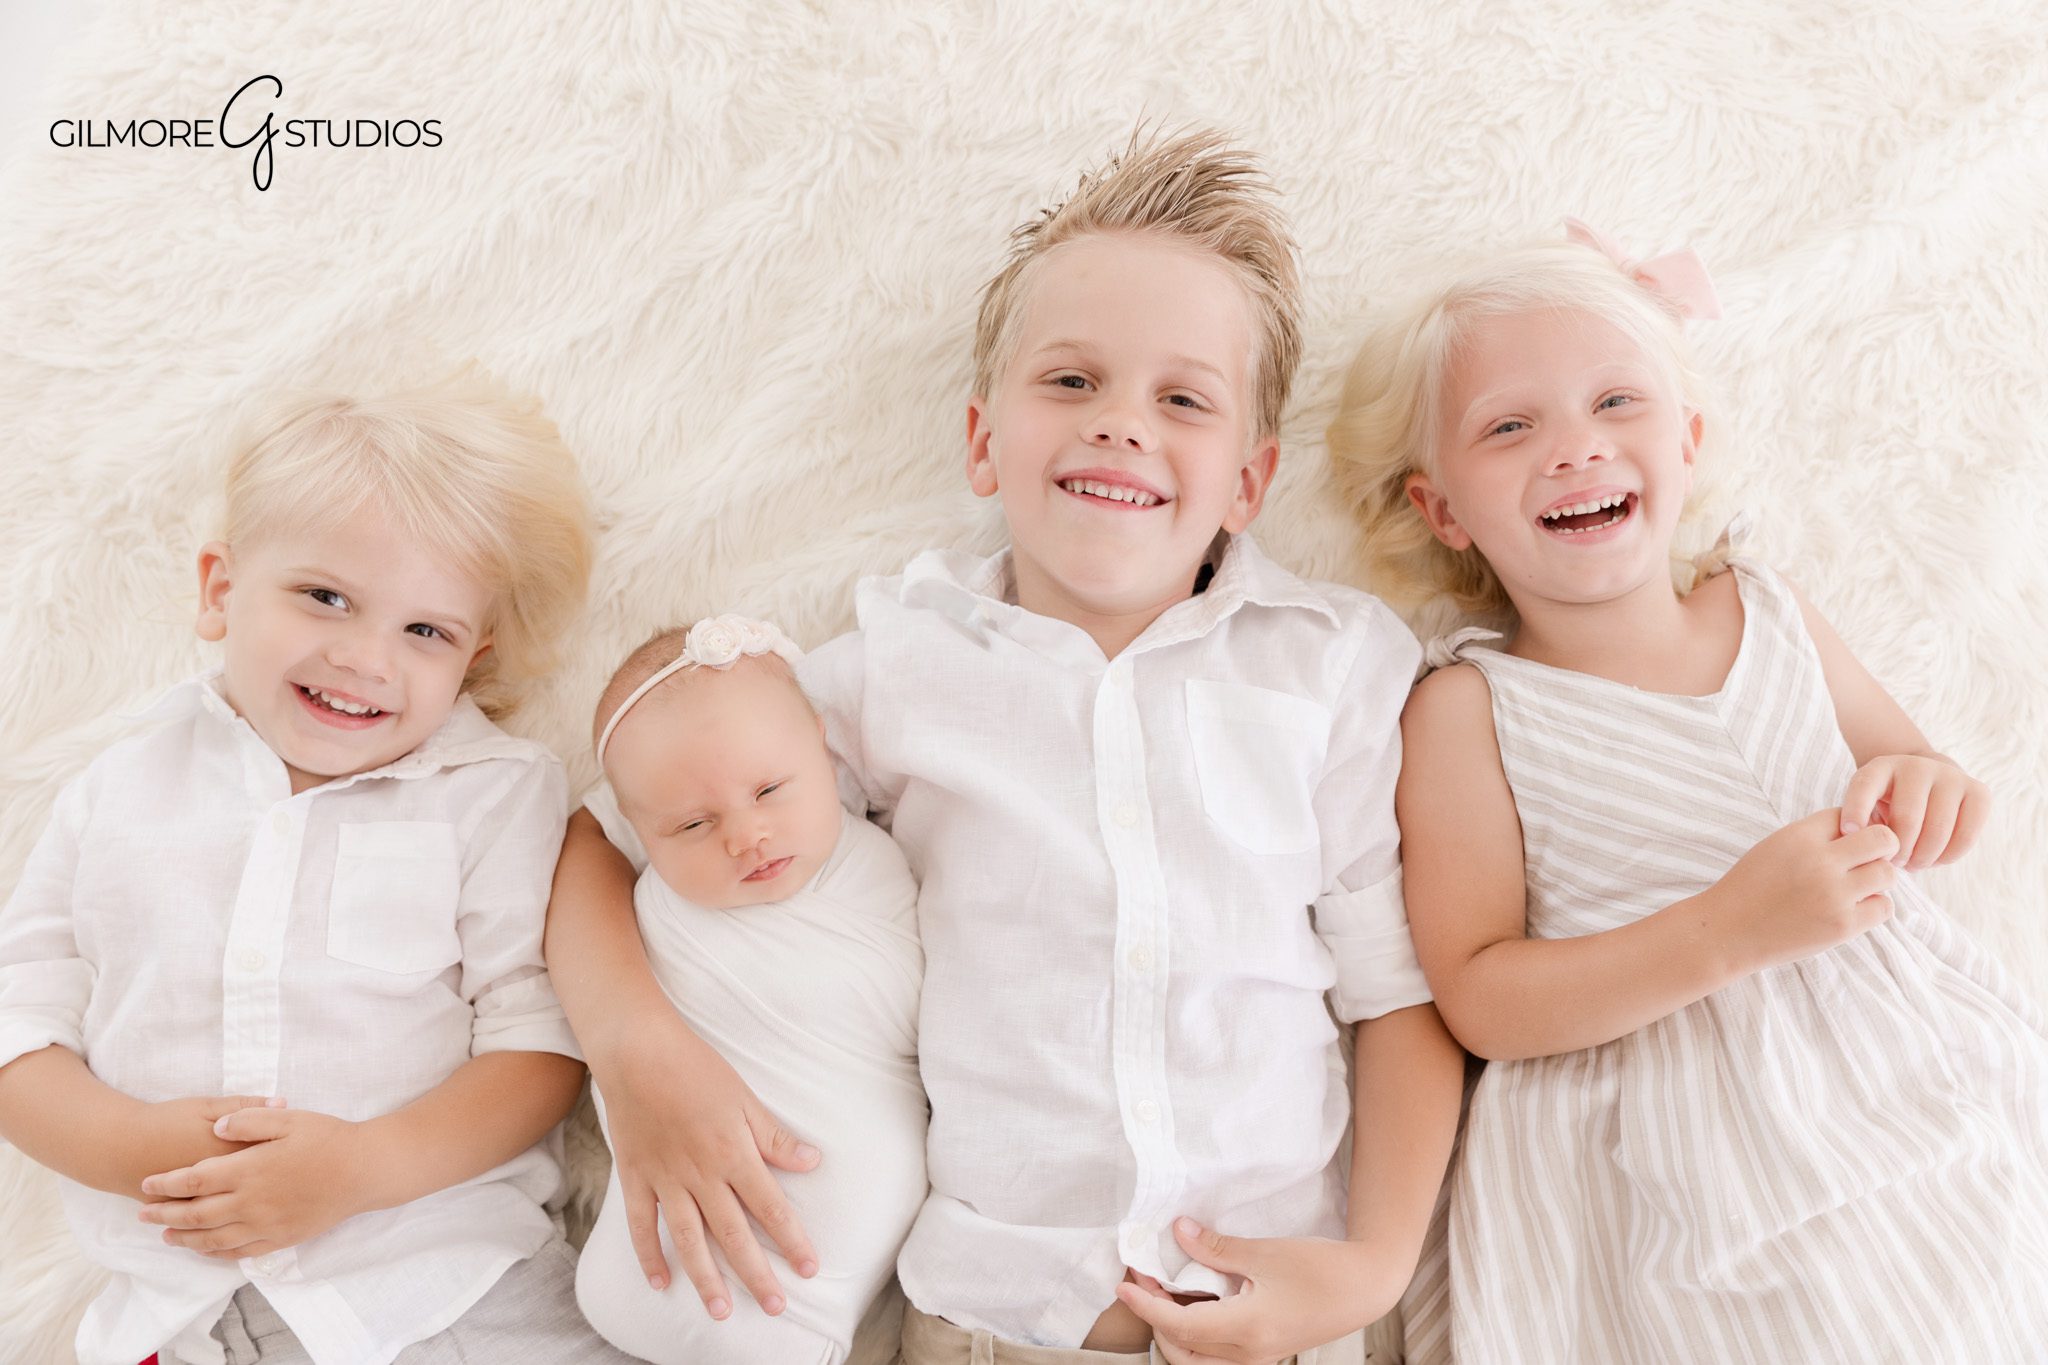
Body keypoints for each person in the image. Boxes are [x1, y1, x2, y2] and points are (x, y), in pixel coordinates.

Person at [544, 129, 1464, 1364]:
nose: (1121, 427)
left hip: (1270, 1314)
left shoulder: (1330, 663)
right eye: (1071, 382)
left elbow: (1397, 988)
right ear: (983, 441)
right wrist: (632, 1052)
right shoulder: (900, 661)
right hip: (997, 1317)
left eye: (1179, 399)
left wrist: (1371, 1265)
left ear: (1247, 481)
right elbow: (596, 840)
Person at [1327, 220, 2048, 1362]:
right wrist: (1722, 932)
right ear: (1441, 511)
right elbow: (1478, 995)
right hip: (1662, 1128)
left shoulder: (1766, 609)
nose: (1572, 449)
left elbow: (1922, 781)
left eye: (1616, 403)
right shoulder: (1467, 709)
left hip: (1892, 1073)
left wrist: (1926, 790)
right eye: (1509, 427)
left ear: (1688, 439)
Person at [0, 374, 634, 1365]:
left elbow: (538, 1045)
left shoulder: (491, 790)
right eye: (325, 597)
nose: (365, 657)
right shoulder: (118, 787)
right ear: (220, 589)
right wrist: (128, 1146)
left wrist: (362, 1167)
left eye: (425, 631)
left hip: (442, 1289)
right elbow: (17, 1029)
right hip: (182, 1311)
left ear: (473, 657)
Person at [573, 615, 924, 1364]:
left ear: (828, 754)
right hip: (666, 1258)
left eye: (770, 788)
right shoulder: (651, 903)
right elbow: (576, 841)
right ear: (638, 831)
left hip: (807, 1304)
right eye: (693, 824)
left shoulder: (884, 866)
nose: (747, 834)